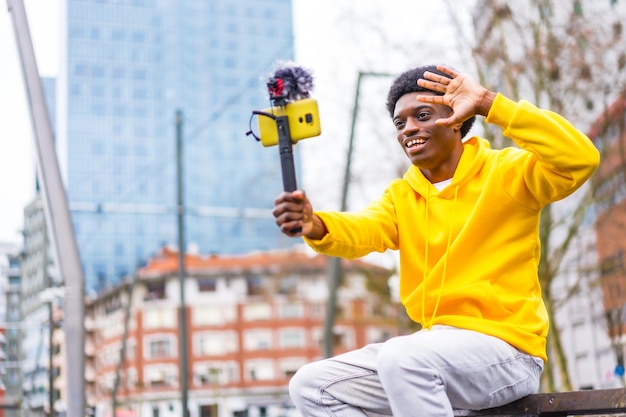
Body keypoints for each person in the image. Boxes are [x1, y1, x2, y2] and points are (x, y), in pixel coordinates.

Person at [272, 64, 599, 417]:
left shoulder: (507, 172)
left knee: (404, 357)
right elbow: (364, 228)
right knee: (310, 384)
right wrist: (314, 224)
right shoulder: (402, 196)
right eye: (400, 123)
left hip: (508, 353)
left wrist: (490, 103)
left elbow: (580, 159)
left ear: (457, 118)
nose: (409, 128)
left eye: (422, 115)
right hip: (433, 354)